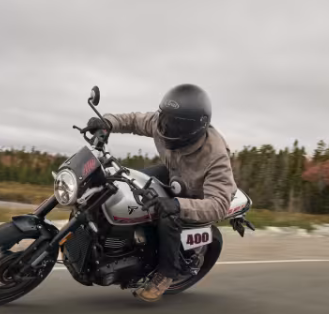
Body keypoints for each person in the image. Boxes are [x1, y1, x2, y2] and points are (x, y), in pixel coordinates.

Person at [85, 84, 236, 302]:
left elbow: (219, 205)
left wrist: (177, 205)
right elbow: (134, 120)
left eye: (176, 125)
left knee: (167, 212)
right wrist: (107, 122)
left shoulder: (216, 156)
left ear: (195, 128)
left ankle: (166, 273)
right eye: (166, 119)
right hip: (174, 172)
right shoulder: (162, 123)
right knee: (130, 184)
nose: (167, 128)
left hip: (198, 192)